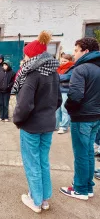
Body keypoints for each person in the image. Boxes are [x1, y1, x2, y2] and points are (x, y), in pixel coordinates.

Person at [12, 31, 61, 213]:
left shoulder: (32, 74)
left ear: (32, 56)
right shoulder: (53, 73)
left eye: (25, 54)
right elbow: (58, 101)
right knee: (42, 161)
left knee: (32, 163)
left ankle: (36, 200)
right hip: (47, 124)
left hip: (31, 126)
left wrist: (17, 120)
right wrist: (47, 114)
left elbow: (24, 105)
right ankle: (44, 199)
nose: (24, 57)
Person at [59, 38, 100, 200]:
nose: (74, 53)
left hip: (83, 117)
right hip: (96, 116)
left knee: (82, 154)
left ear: (86, 51)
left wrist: (69, 108)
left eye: (76, 50)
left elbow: (75, 95)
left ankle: (80, 189)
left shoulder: (81, 69)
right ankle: (88, 186)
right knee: (89, 152)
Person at [55, 54, 74, 134]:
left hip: (66, 91)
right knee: (57, 109)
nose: (63, 62)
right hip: (58, 90)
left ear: (69, 61)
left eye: (65, 61)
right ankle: (56, 125)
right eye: (62, 60)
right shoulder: (58, 68)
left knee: (64, 109)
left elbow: (67, 77)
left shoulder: (72, 68)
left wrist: (57, 77)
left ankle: (64, 127)